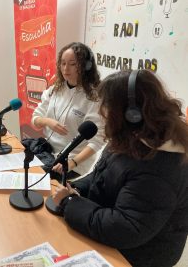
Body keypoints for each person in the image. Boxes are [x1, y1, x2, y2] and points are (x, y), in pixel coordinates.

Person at [53, 69, 188, 267]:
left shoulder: (160, 169)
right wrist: (77, 188)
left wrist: (71, 203)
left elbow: (126, 229)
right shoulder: (132, 135)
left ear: (131, 114)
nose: (102, 112)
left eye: (106, 106)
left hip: (139, 256)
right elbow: (103, 174)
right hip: (112, 233)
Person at [31, 42, 105, 180]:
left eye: (72, 64)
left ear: (86, 66)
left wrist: (72, 163)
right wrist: (48, 121)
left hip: (74, 161)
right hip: (47, 151)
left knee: (34, 179)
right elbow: (35, 119)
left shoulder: (95, 98)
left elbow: (97, 141)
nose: (66, 68)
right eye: (63, 63)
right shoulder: (54, 90)